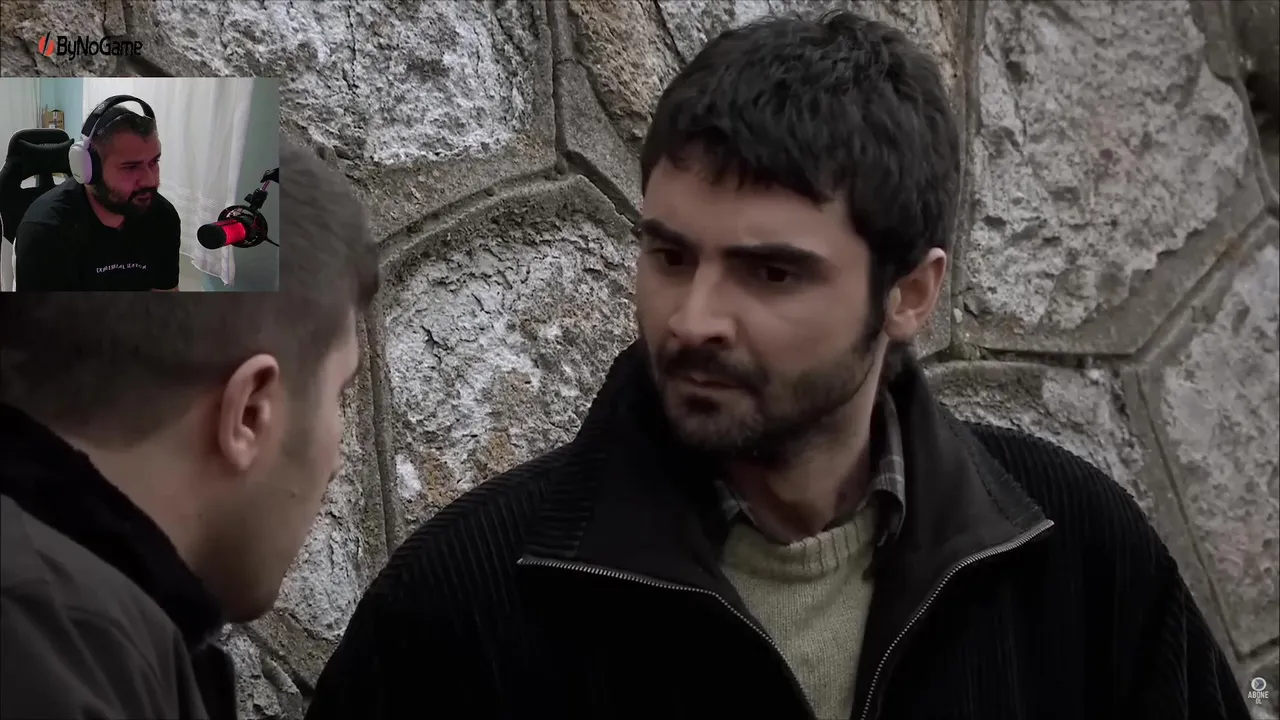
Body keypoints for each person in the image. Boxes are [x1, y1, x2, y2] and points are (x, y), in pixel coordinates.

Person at [305, 10, 1250, 720]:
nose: (694, 320)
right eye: (670, 255)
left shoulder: (1076, 559)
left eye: (771, 272)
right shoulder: (463, 605)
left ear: (910, 294)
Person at [0, 137, 380, 719]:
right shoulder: (70, 677)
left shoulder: (69, 630)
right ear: (249, 413)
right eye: (339, 395)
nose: (337, 459)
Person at [14, 97, 180, 291]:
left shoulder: (162, 216)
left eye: (154, 162)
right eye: (131, 167)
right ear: (88, 169)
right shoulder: (45, 232)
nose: (150, 180)